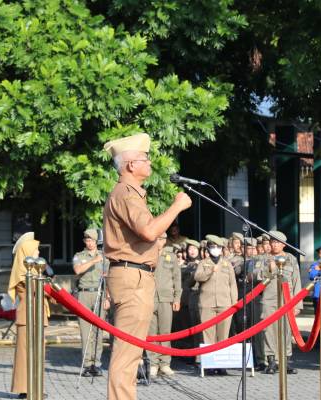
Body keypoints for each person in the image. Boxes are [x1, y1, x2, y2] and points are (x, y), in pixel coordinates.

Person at [102, 133, 192, 400]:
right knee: (127, 354)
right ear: (131, 165)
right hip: (132, 277)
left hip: (135, 275)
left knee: (131, 353)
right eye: (145, 158)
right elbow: (149, 231)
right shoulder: (126, 194)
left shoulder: (130, 194)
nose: (150, 162)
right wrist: (177, 206)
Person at [7, 232, 49, 399]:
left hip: (37, 314)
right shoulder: (23, 273)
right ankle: (25, 389)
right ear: (28, 252)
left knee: (38, 352)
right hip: (28, 316)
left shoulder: (35, 272)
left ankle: (35, 387)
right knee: (25, 353)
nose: (38, 253)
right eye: (36, 250)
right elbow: (37, 288)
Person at [257, 230, 302, 375]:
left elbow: (296, 281)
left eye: (278, 242)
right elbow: (255, 276)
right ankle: (271, 361)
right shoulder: (264, 258)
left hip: (287, 299)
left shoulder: (291, 259)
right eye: (273, 242)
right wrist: (269, 270)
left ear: (283, 244)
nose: (275, 245)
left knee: (286, 330)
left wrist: (297, 304)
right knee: (269, 330)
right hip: (269, 300)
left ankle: (285, 361)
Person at [194, 234, 238, 375]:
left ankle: (221, 364)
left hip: (225, 303)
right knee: (208, 335)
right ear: (208, 248)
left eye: (218, 247)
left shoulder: (227, 264)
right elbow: (197, 277)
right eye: (213, 247)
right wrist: (210, 271)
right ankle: (210, 364)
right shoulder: (203, 263)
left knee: (223, 335)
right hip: (207, 303)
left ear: (221, 249)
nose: (215, 249)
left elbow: (232, 284)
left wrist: (234, 303)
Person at [73, 228, 109, 377]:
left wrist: (108, 298)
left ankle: (96, 363)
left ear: (96, 242)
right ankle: (87, 364)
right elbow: (77, 270)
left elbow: (108, 278)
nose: (89, 243)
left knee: (98, 331)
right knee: (85, 331)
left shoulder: (104, 257)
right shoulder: (79, 256)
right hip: (84, 294)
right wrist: (93, 260)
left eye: (92, 240)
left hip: (99, 294)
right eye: (87, 240)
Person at [148, 233, 182, 377]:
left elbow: (177, 278)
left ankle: (165, 363)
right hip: (150, 298)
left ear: (165, 241)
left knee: (165, 332)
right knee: (151, 333)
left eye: (162, 239)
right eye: (157, 239)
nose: (159, 242)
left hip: (166, 298)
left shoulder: (171, 256)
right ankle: (153, 363)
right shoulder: (147, 254)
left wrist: (177, 298)